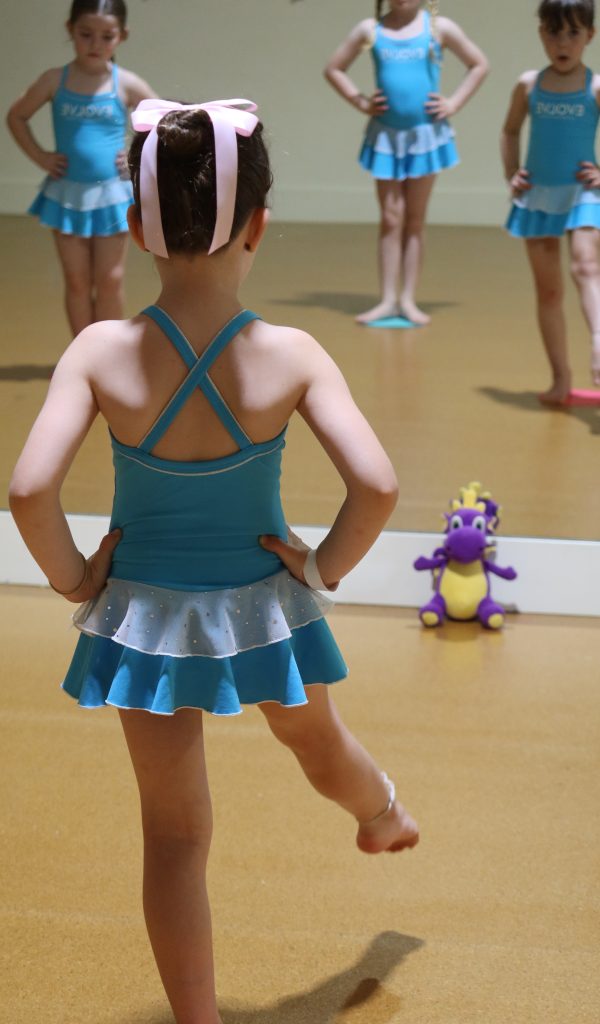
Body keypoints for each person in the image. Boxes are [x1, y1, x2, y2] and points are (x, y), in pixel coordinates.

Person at [9, 97, 419, 1024]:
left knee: (174, 836)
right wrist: (320, 570)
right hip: (264, 607)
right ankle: (381, 813)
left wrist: (77, 579)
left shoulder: (99, 352)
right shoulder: (292, 354)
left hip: (143, 621)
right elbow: (379, 486)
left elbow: (30, 492)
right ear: (259, 225)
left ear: (133, 225)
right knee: (318, 743)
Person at [324, 0, 488, 325]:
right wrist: (362, 102)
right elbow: (333, 68)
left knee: (415, 219)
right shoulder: (371, 30)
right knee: (390, 217)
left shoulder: (439, 29)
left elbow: (479, 64)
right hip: (386, 137)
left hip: (426, 137)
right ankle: (387, 299)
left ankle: (408, 299)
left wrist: (454, 103)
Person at [6, 0, 154, 335]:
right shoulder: (54, 80)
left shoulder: (126, 83)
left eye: (107, 36)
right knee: (76, 281)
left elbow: (163, 122)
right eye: (86, 34)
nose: (95, 44)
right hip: (67, 196)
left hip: (114, 196)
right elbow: (16, 116)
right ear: (70, 29)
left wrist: (136, 154)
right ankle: (82, 352)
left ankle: (108, 352)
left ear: (122, 36)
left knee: (111, 279)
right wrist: (41, 157)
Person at [502, 0, 600, 405]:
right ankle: (561, 378)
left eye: (573, 33)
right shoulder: (529, 85)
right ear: (542, 33)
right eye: (554, 33)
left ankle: (598, 343)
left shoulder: (595, 86)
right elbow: (510, 131)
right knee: (549, 292)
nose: (563, 43)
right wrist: (512, 173)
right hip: (538, 195)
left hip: (583, 193)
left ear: (589, 36)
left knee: (586, 265)